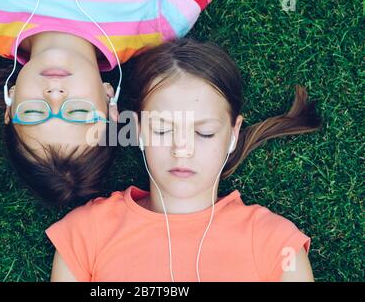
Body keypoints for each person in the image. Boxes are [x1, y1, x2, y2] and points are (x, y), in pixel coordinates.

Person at [46, 38, 321, 281]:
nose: (182, 149)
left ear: (232, 135)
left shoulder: (275, 245)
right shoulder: (85, 235)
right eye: (163, 129)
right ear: (139, 130)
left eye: (204, 132)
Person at [0, 0, 214, 205]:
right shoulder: (161, 21)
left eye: (34, 112)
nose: (55, 94)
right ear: (109, 101)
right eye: (78, 112)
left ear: (11, 102)